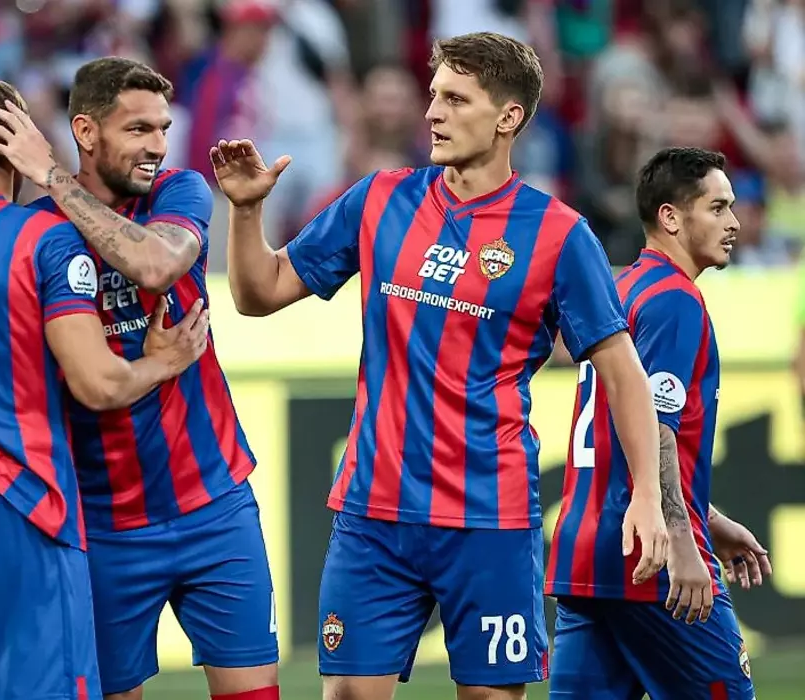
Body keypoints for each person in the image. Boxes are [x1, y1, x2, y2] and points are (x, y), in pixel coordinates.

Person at [211, 32, 669, 700]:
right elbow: (259, 294)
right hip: (374, 514)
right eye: (433, 96)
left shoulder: (558, 233)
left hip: (489, 519)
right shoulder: (380, 198)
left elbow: (623, 373)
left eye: (455, 99)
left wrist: (648, 498)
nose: (432, 112)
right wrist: (247, 210)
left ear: (508, 117)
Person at [0, 58, 281, 700]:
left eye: (163, 128)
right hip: (100, 525)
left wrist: (50, 175)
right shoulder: (31, 235)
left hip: (214, 505)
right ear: (86, 131)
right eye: (138, 129)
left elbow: (157, 264)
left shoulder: (178, 192)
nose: (158, 146)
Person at [546, 146, 773, 700]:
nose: (733, 222)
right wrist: (684, 541)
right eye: (717, 207)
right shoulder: (676, 301)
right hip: (648, 552)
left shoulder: (621, 293)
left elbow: (620, 429)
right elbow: (658, 426)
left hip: (585, 551)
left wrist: (708, 516)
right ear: (671, 217)